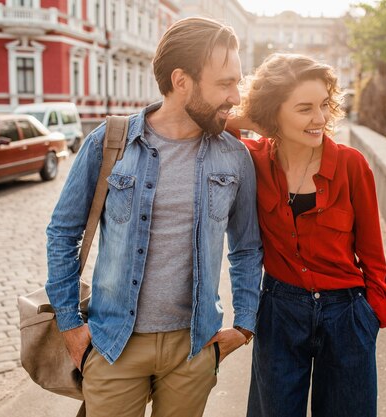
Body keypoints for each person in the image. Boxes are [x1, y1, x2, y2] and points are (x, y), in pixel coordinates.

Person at [45, 17, 262, 417]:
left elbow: (247, 248)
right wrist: (70, 325)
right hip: (113, 344)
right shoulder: (110, 142)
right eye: (225, 83)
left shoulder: (235, 156)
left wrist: (244, 326)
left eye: (238, 81)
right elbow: (63, 233)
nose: (236, 96)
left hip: (194, 347)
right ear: (182, 81)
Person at [228, 53, 386, 417]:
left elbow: (373, 254)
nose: (320, 118)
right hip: (279, 311)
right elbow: (210, 127)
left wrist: (369, 315)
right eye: (304, 108)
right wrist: (251, 117)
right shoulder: (253, 159)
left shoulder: (352, 165)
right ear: (274, 112)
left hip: (347, 314)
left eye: (324, 105)